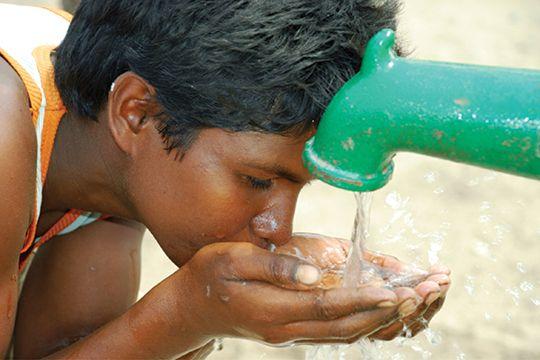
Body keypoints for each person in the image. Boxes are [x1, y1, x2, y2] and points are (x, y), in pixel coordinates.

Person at [0, 1, 450, 358]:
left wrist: (209, 311)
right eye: (257, 181)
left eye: (298, 187)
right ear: (136, 113)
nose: (278, 229)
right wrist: (187, 312)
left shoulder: (114, 153)